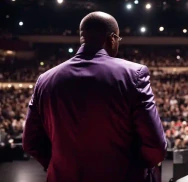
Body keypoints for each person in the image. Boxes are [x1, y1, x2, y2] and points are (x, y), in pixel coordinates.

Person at [22, 11, 167, 182]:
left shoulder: (45, 80)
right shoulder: (134, 74)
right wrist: (134, 168)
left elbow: (30, 142)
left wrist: (60, 164)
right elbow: (156, 147)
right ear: (112, 38)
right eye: (118, 40)